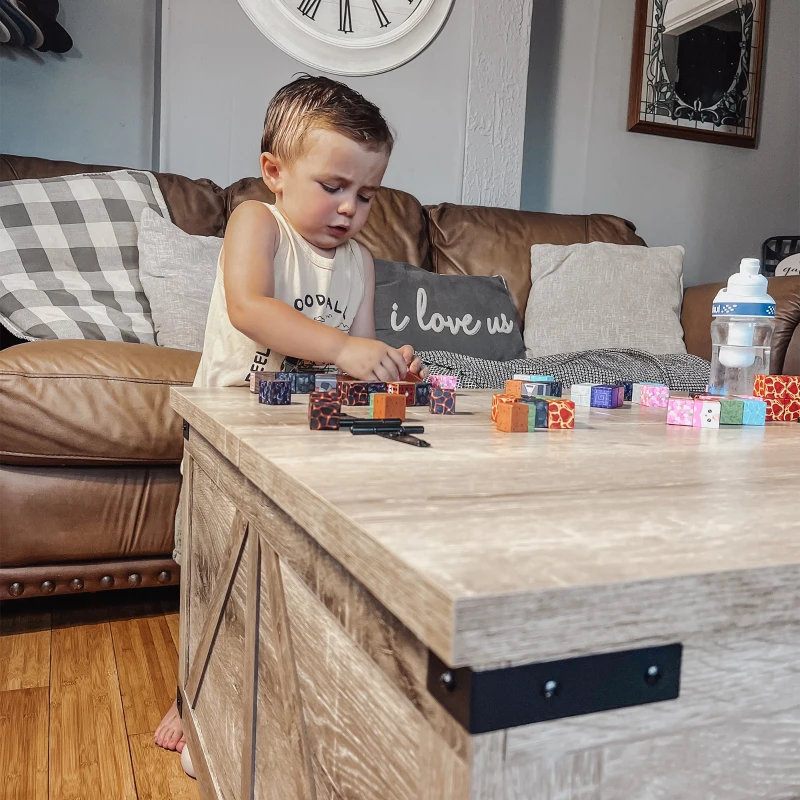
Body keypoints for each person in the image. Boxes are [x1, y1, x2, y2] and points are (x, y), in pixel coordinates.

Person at [154, 75, 425, 756]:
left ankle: (284, 679)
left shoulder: (361, 262)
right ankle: (193, 689)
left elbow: (351, 365)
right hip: (230, 432)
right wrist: (342, 346)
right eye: (333, 186)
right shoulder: (257, 222)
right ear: (274, 172)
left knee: (289, 574)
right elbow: (251, 307)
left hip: (307, 437)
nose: (349, 209)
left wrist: (387, 366)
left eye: (366, 195)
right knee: (218, 569)